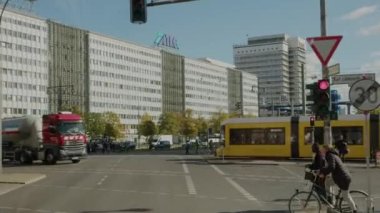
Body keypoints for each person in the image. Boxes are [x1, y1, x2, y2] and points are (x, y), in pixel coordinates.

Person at [319, 144, 357, 213]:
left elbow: (332, 167)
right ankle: (331, 200)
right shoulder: (333, 155)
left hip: (343, 178)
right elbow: (334, 168)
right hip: (340, 177)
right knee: (327, 182)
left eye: (322, 149)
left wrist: (323, 173)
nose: (321, 150)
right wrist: (326, 174)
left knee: (346, 196)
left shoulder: (330, 155)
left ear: (326, 149)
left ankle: (354, 210)